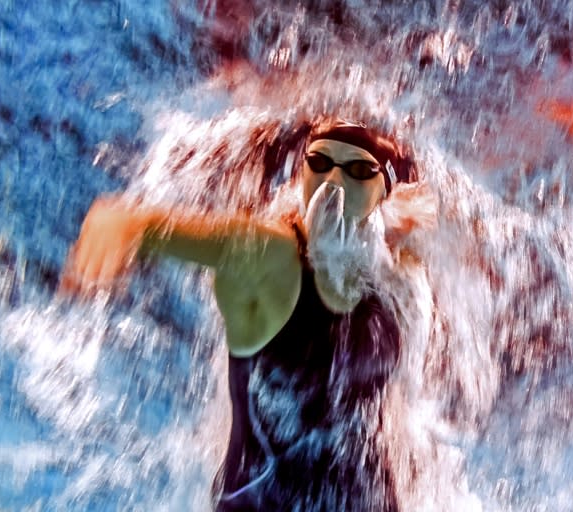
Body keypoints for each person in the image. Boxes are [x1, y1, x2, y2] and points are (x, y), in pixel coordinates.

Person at [61, 117, 430, 511]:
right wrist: (131, 224)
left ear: (381, 194)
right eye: (319, 163)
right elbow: (220, 241)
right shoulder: (273, 257)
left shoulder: (391, 272)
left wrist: (393, 221)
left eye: (358, 170)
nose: (332, 180)